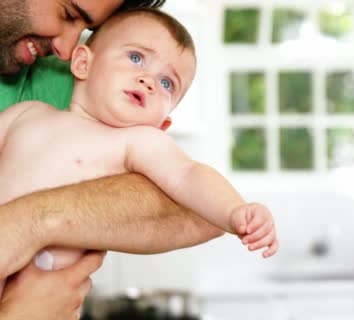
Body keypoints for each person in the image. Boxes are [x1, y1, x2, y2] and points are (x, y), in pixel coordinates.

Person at [0, 6, 279, 300]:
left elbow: (188, 175)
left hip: (35, 291)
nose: (149, 80)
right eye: (136, 58)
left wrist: (235, 211)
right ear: (83, 63)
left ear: (163, 123)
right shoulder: (26, 114)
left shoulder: (135, 142)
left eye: (167, 83)